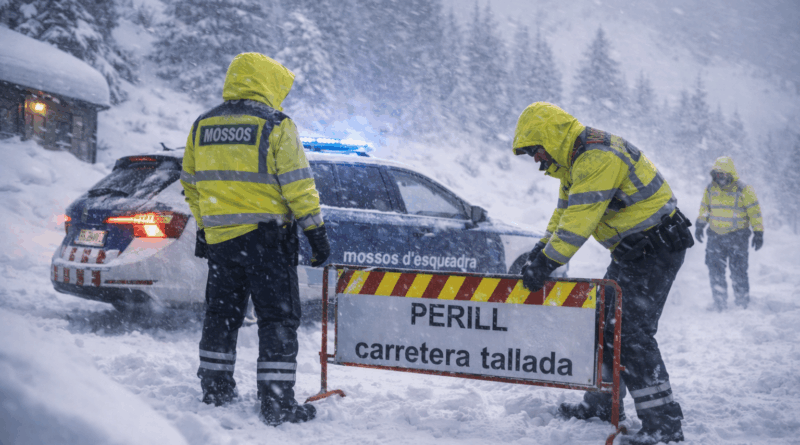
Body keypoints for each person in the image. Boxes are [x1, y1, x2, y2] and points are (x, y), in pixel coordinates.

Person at [512, 102, 693, 445]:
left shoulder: (597, 158)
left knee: (631, 334)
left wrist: (546, 264)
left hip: (656, 251)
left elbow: (578, 224)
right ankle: (602, 404)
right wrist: (540, 249)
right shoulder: (576, 160)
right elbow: (563, 215)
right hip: (633, 252)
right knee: (604, 324)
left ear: (549, 137)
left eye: (535, 150)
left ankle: (664, 425)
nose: (536, 160)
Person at [180, 52, 330, 426]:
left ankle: (215, 389)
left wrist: (205, 228)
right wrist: (316, 231)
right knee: (277, 319)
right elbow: (298, 185)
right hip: (266, 242)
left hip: (221, 243)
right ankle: (276, 403)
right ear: (268, 82)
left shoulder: (203, 125)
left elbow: (191, 184)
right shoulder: (275, 125)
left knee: (221, 316)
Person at [695, 156, 763, 311]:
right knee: (715, 270)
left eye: (723, 174)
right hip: (715, 236)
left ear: (730, 173)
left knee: (738, 270)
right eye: (717, 174)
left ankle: (742, 302)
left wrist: (758, 232)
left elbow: (754, 212)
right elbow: (705, 208)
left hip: (737, 236)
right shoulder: (711, 189)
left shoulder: (744, 190)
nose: (720, 178)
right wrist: (700, 225)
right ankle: (719, 302)